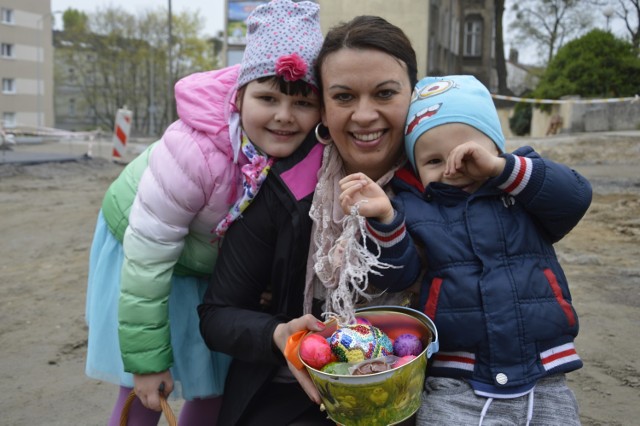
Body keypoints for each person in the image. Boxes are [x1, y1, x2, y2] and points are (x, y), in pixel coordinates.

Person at [84, 1, 324, 425]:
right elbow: (148, 258)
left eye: (303, 103)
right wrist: (145, 362)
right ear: (239, 95)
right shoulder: (193, 153)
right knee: (149, 388)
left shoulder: (307, 154)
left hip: (205, 255)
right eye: (267, 98)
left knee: (214, 378)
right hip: (144, 249)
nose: (284, 117)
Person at [198, 15, 418, 425]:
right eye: (344, 96)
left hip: (414, 398)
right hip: (290, 396)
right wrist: (277, 334)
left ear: (414, 95)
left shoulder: (442, 185)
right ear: (323, 106)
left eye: (385, 93)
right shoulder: (287, 188)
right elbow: (217, 314)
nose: (364, 115)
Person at [338, 75, 592, 425]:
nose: (453, 169)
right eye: (433, 161)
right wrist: (385, 218)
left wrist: (501, 169)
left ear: (495, 147)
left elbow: (575, 198)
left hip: (544, 377)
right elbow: (399, 274)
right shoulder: (415, 209)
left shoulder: (522, 189)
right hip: (457, 385)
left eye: (468, 153)